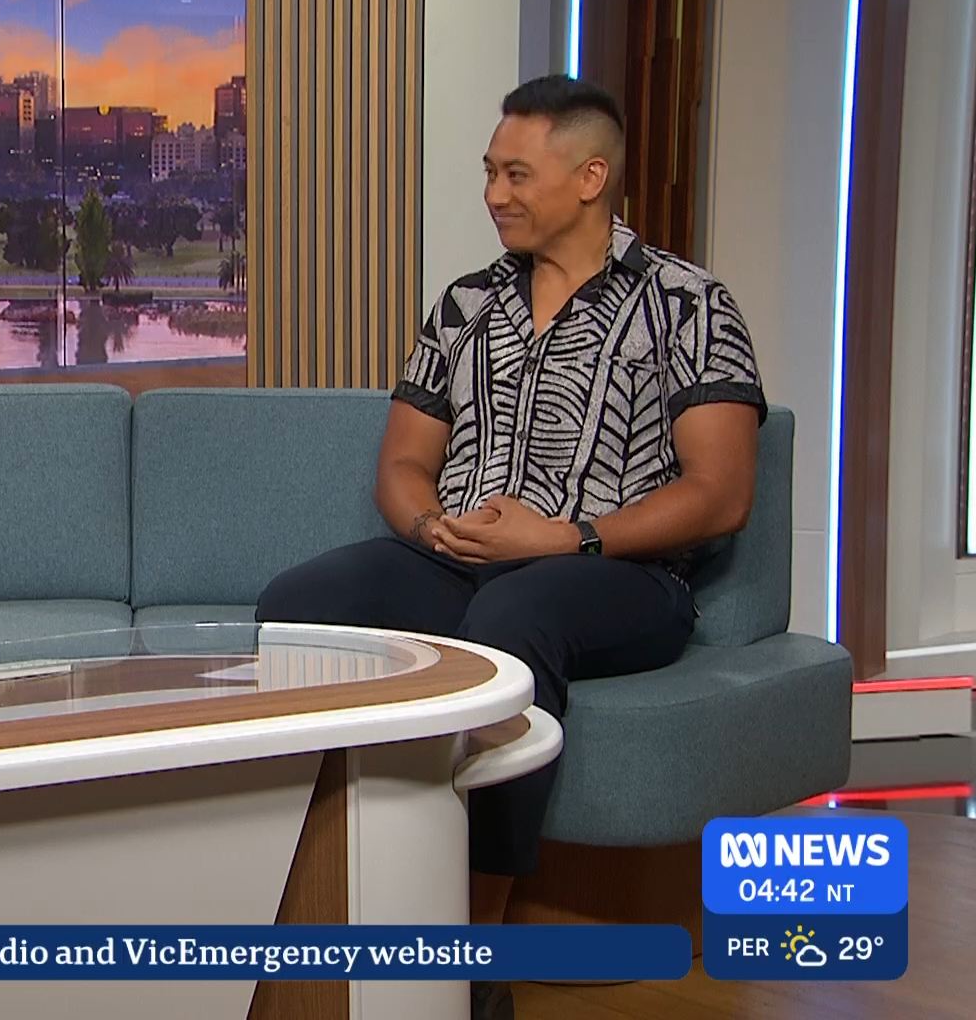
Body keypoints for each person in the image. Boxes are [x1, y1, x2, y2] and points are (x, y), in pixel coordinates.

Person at [254, 75, 764, 1020]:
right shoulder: (465, 304)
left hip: (620, 574)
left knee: (515, 618)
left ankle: (468, 955)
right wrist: (427, 526)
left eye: (516, 174)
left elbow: (720, 493)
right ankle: (313, 899)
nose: (494, 193)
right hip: (462, 559)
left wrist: (566, 536)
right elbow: (404, 461)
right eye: (489, 171)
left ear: (590, 177)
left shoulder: (689, 304)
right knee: (298, 607)